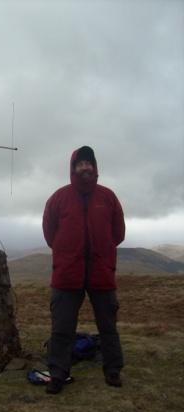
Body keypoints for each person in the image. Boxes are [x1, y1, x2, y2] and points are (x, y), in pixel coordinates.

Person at [42, 146, 125, 394]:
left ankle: (113, 370)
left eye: (89, 163)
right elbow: (50, 233)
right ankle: (57, 374)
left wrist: (104, 248)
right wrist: (66, 250)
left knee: (108, 327)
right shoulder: (59, 198)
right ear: (73, 168)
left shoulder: (108, 197)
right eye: (81, 164)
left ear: (95, 167)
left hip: (101, 272)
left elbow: (118, 233)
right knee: (62, 328)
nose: (85, 167)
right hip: (67, 274)